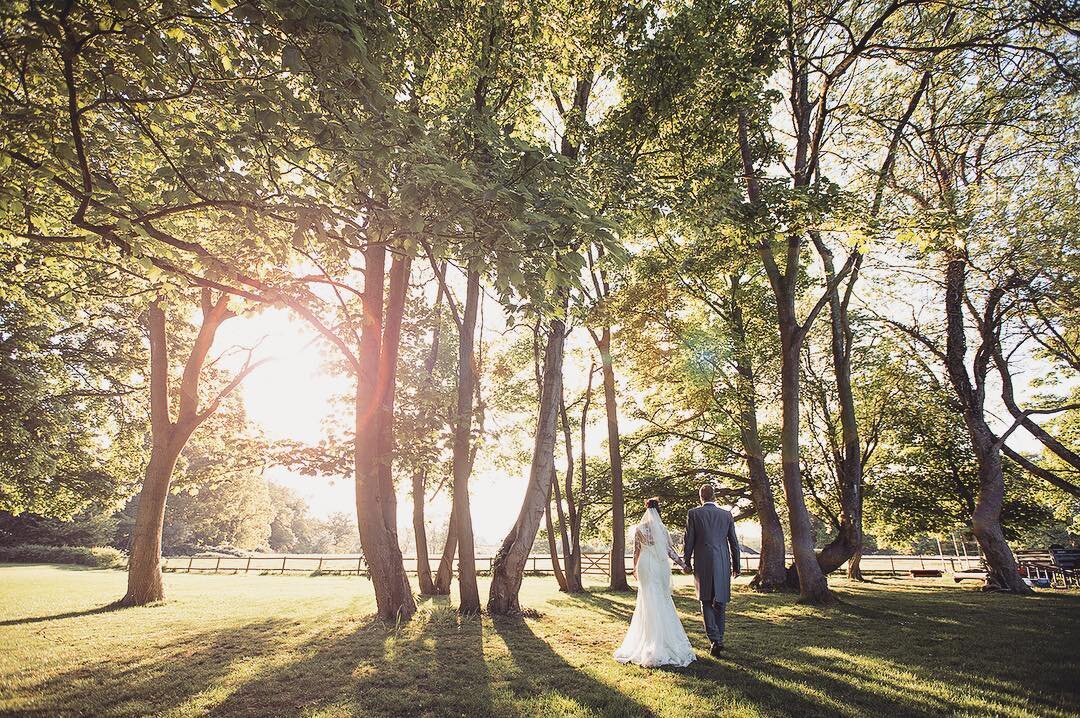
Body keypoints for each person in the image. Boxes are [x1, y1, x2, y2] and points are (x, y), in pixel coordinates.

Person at [613, 498, 696, 668]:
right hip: (658, 566)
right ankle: (662, 641)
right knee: (660, 599)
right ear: (658, 511)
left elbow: (636, 551)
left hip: (645, 564)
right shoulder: (662, 529)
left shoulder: (640, 529)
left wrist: (634, 568)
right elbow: (669, 551)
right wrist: (683, 565)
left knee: (647, 600)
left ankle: (650, 640)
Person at [682, 483, 740, 656]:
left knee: (706, 600)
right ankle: (719, 639)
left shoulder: (694, 513)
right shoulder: (726, 515)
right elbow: (734, 543)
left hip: (703, 562)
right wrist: (736, 565)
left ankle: (715, 639)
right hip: (723, 561)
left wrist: (687, 561)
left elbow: (689, 540)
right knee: (720, 602)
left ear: (701, 497)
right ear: (714, 496)